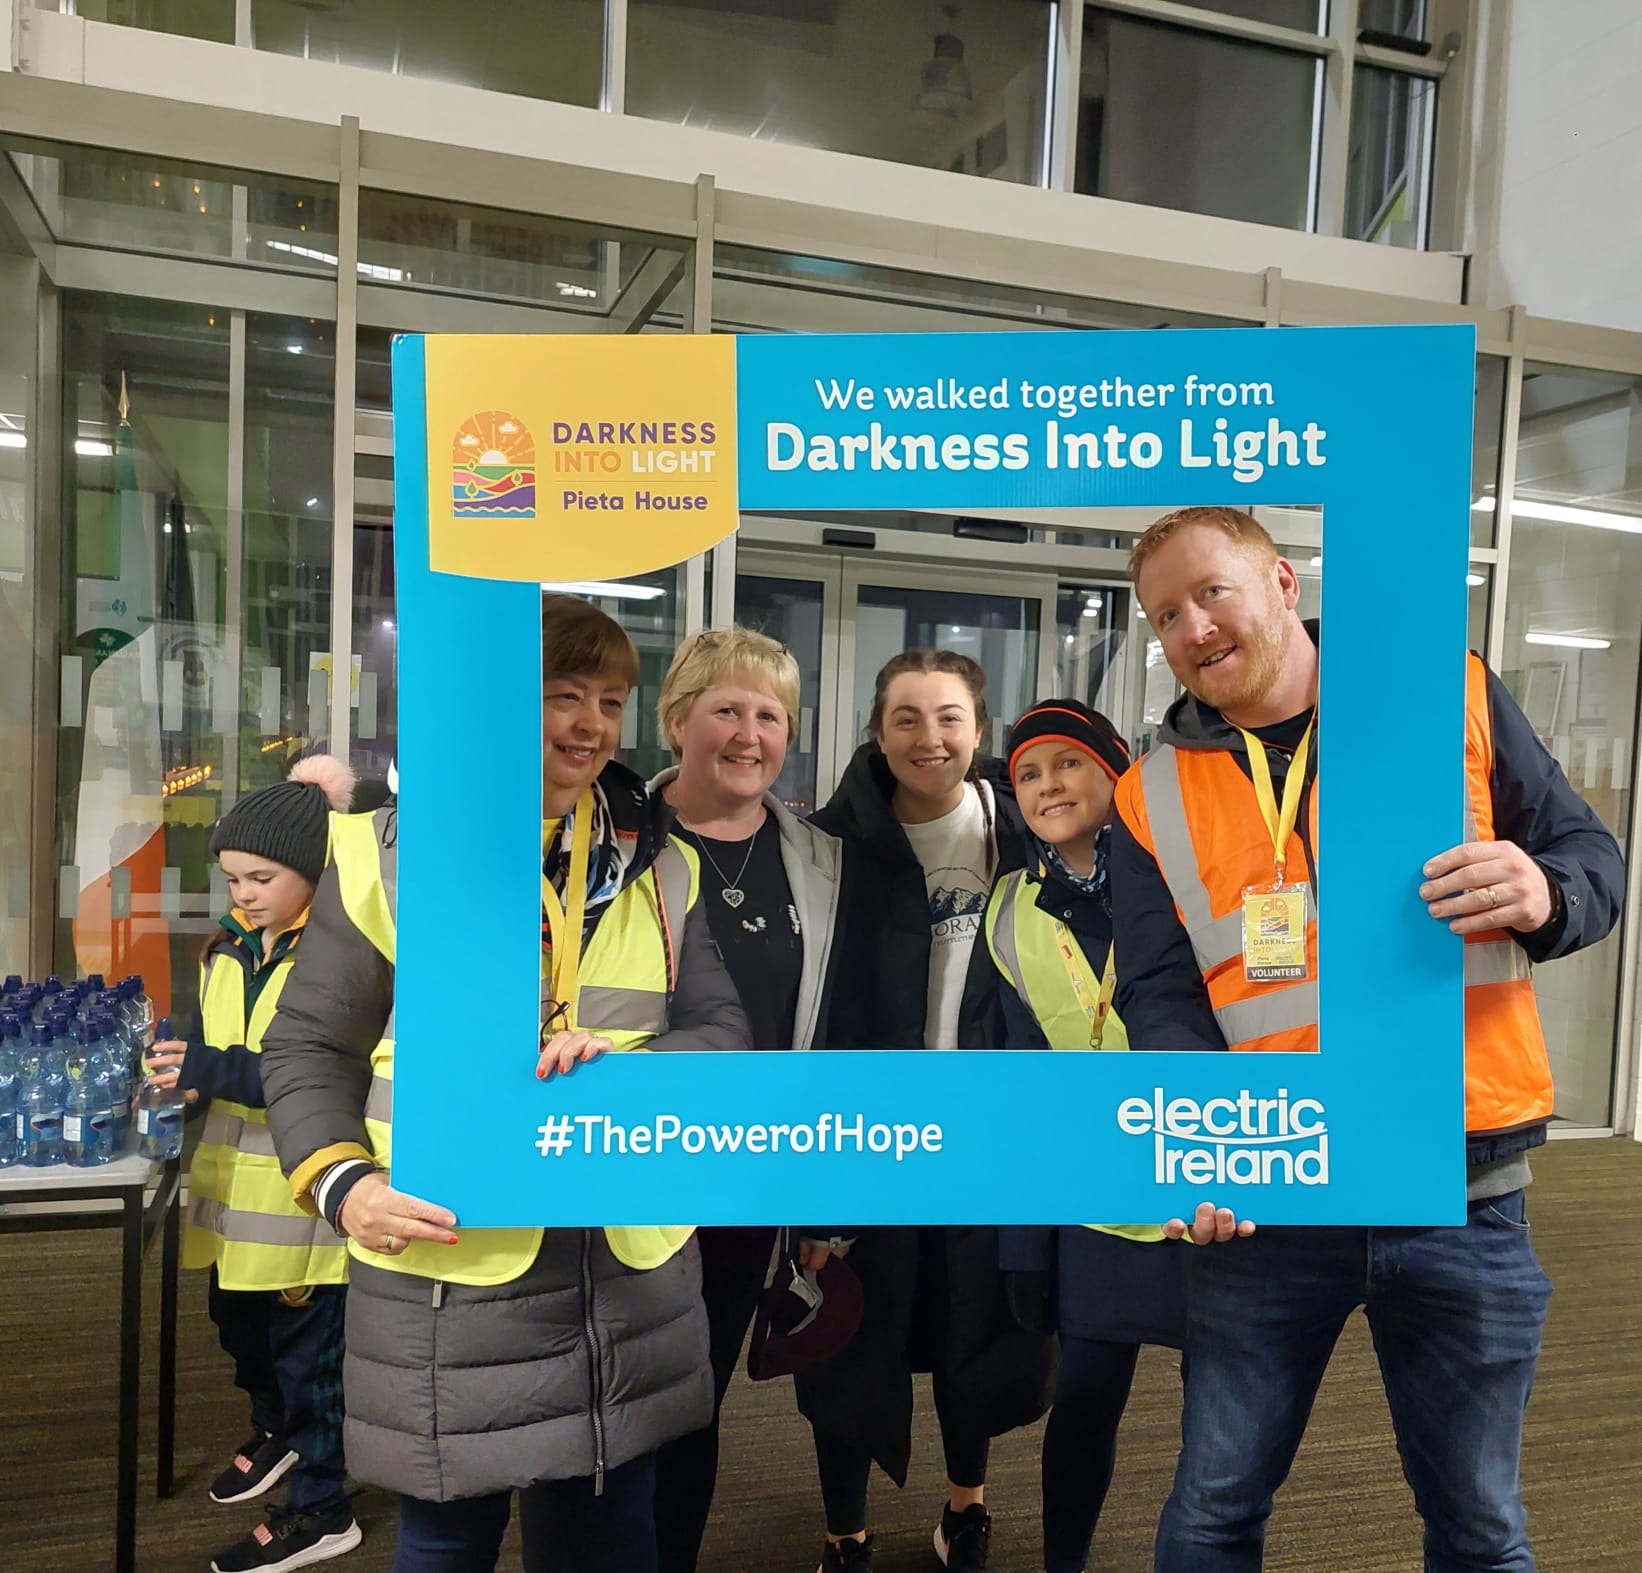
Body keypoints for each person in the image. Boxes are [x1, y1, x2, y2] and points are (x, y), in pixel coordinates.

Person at [1108, 506, 1626, 1571]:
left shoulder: (1445, 694)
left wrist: (1545, 888)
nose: (1191, 628)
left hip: (1459, 1180)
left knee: (1480, 1527)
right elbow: (1162, 996)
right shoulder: (1147, 791)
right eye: (1164, 615)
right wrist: (1199, 1146)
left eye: (1211, 592)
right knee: (1211, 1512)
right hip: (1269, 1192)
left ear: (1282, 584)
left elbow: (1590, 855)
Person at [260, 596, 751, 1573]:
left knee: (608, 1535)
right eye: (564, 694)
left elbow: (722, 1031)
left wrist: (632, 1075)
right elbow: (309, 1044)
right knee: (447, 1539)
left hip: (623, 1257)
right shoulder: (389, 855)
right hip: (451, 1259)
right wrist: (343, 1185)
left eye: (609, 700)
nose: (591, 723)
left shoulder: (662, 863)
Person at [803, 649, 1053, 1573]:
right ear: (877, 731)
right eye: (906, 718)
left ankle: (965, 1507)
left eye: (949, 717)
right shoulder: (830, 844)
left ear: (979, 730)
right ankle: (845, 1531)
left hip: (988, 1135)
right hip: (867, 1135)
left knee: (972, 1326)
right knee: (848, 1338)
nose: (929, 737)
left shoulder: (1023, 830)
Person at [644, 624, 849, 1573]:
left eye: (771, 715)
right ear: (677, 718)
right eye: (726, 708)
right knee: (610, 1402)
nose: (749, 733)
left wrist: (820, 1198)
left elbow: (833, 1033)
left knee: (694, 1398)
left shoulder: (822, 861)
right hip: (626, 1163)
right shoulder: (614, 840)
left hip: (745, 1183)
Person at [974, 699, 1188, 1573]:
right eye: (1028, 773)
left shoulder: (1184, 875)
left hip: (1206, 1185)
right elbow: (1023, 1091)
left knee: (1225, 1412)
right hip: (1096, 1203)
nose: (1048, 786)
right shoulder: (1008, 908)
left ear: (1116, 770)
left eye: (1068, 763)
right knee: (1086, 1402)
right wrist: (1022, 1244)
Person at [145, 755, 362, 1573]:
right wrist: (181, 1069)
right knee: (240, 1332)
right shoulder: (227, 948)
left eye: (262, 878)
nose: (243, 893)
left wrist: (214, 1067)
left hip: (303, 1205)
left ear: (315, 871)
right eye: (233, 878)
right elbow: (217, 1039)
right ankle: (276, 1432)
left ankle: (322, 1507)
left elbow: (321, 1073)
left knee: (313, 1368)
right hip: (232, 1195)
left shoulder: (340, 958)